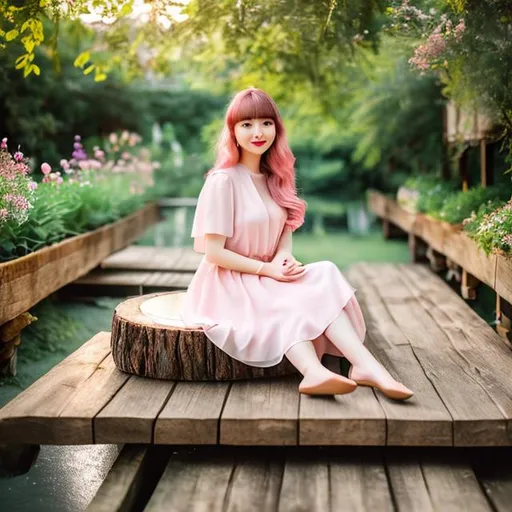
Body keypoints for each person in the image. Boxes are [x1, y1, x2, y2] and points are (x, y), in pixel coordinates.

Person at [180, 87, 413, 400]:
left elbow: (284, 229)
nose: (258, 132)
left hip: (268, 271)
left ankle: (364, 365)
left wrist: (284, 257)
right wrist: (267, 269)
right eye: (246, 125)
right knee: (286, 300)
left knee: (325, 272)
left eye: (266, 122)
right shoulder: (223, 181)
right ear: (233, 132)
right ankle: (314, 372)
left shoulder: (276, 175)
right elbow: (213, 253)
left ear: (277, 127)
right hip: (228, 282)